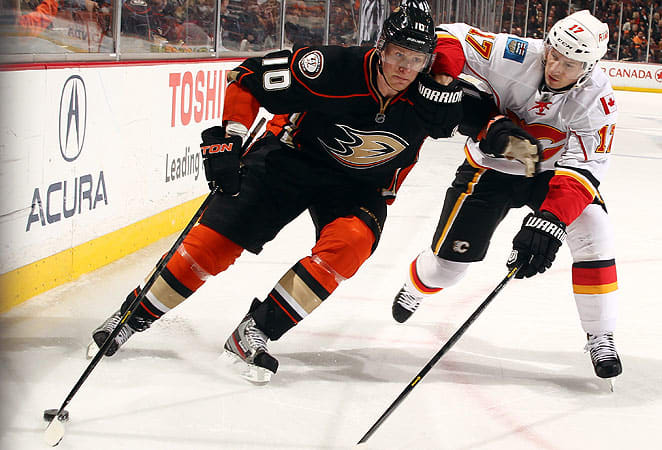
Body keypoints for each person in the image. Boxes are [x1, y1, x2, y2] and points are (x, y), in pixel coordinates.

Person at [89, 0, 465, 384]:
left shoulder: (435, 99)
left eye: (416, 59)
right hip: (290, 159)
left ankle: (256, 330)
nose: (405, 68)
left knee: (351, 244)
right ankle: (131, 316)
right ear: (381, 47)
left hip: (359, 185)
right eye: (398, 54)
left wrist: (500, 140)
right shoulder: (332, 68)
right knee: (213, 244)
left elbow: (489, 112)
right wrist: (232, 136)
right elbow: (249, 75)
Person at [392, 10, 623, 386]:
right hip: (490, 169)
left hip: (551, 175)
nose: (556, 68)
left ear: (589, 67)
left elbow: (585, 168)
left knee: (594, 228)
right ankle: (416, 285)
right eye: (554, 55)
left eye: (570, 64)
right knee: (446, 270)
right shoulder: (514, 54)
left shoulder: (597, 99)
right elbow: (450, 35)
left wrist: (551, 220)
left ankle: (601, 334)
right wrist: (444, 77)